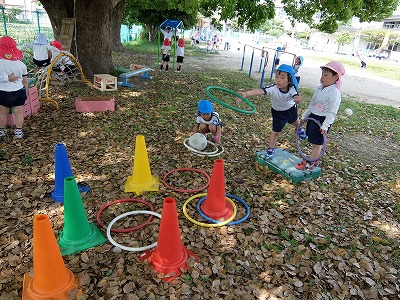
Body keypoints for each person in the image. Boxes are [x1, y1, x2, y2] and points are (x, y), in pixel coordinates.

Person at [238, 64, 306, 159]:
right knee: (275, 132)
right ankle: (271, 148)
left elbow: (295, 96)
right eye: (277, 76)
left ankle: (299, 129)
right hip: (278, 113)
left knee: (295, 121)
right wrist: (246, 94)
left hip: (291, 109)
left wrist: (297, 98)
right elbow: (260, 91)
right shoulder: (272, 89)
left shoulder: (292, 89)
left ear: (289, 80)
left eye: (282, 78)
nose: (278, 80)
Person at [295, 61, 345, 170]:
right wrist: (305, 116)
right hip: (313, 117)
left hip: (322, 121)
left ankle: (310, 162)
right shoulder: (319, 88)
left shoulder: (335, 93)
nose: (322, 77)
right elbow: (313, 104)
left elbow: (332, 112)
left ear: (336, 77)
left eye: (326, 75)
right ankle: (315, 159)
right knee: (313, 141)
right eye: (322, 74)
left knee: (317, 144)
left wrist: (325, 126)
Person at [0, 36, 28, 139]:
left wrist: (6, 78)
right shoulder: (21, 64)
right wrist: (26, 92)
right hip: (19, 91)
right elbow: (25, 81)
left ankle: (2, 132)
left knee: (3, 113)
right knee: (19, 112)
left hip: (4, 92)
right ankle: (19, 132)